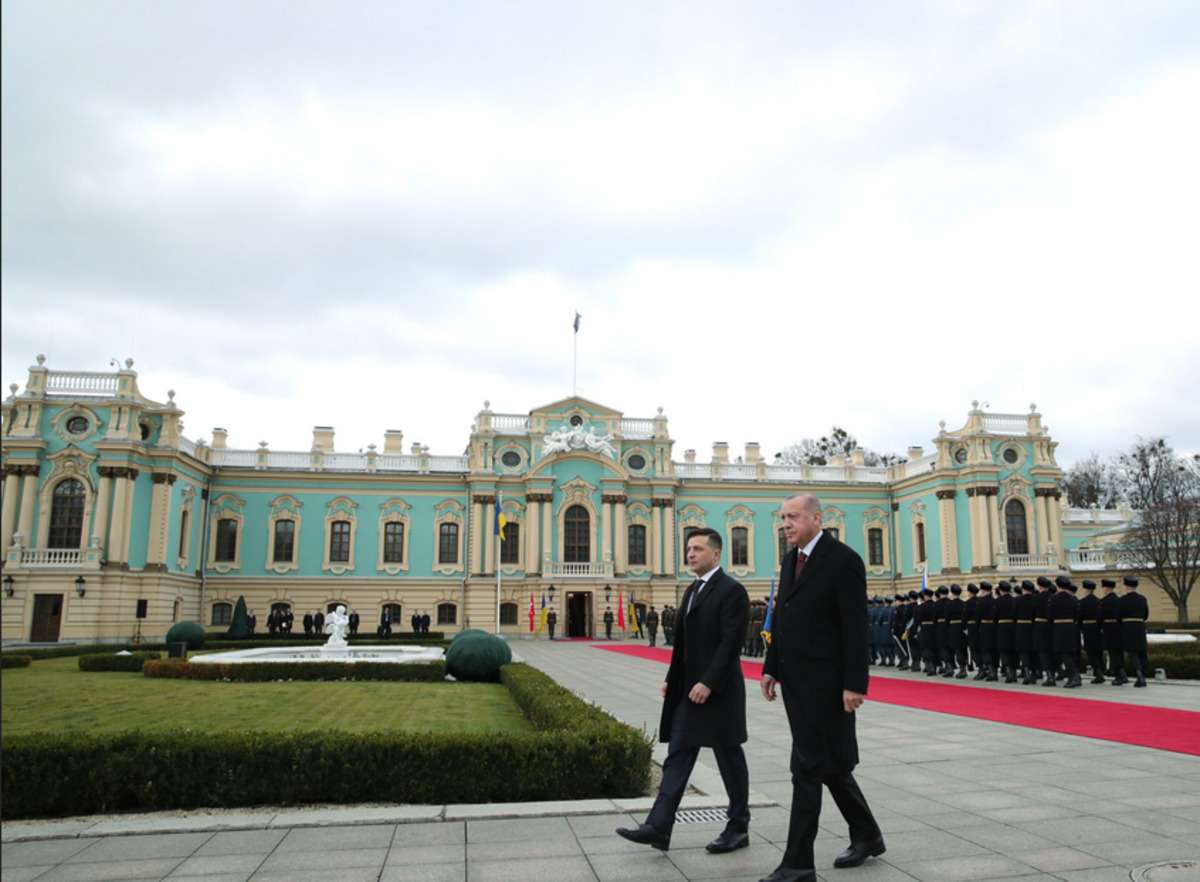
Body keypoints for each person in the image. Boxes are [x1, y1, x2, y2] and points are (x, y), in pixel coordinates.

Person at [759, 495, 883, 882]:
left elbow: (854, 626)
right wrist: (770, 666)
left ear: (816, 518)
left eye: (792, 517)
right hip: (796, 682)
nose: (786, 525)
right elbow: (783, 616)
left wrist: (854, 683)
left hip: (829, 686)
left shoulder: (842, 559)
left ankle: (797, 864)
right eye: (783, 519)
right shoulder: (790, 559)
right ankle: (867, 835)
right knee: (828, 765)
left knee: (807, 767)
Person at [617, 527, 751, 856]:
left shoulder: (732, 591)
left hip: (718, 693)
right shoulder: (691, 590)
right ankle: (659, 826)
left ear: (716, 555)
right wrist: (671, 678)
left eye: (698, 549)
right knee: (677, 756)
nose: (690, 554)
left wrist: (709, 682)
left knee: (729, 757)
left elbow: (730, 643)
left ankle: (738, 827)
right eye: (689, 549)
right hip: (688, 693)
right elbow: (683, 646)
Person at [1050, 575, 1082, 688]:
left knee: (1064, 654)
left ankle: (1073, 677)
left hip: (1059, 629)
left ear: (1058, 586)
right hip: (1071, 628)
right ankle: (1076, 676)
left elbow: (1050, 615)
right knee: (1071, 653)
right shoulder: (1073, 598)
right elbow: (1077, 615)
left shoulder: (1054, 598)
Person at [1119, 577, 1149, 687]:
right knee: (1142, 653)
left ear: (1126, 586)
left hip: (1128, 628)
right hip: (1140, 627)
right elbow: (1146, 615)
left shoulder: (1122, 600)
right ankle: (1144, 676)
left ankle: (1140, 676)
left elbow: (1119, 616)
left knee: (1133, 653)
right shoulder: (1143, 599)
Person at [1100, 579, 1127, 685]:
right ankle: (1123, 674)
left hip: (1108, 629)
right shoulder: (1119, 600)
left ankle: (1119, 676)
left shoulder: (1103, 601)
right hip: (1118, 629)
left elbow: (1100, 617)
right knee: (1119, 653)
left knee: (1113, 653)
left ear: (1106, 588)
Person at [1078, 581, 1104, 683]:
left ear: (1086, 589)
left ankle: (1098, 673)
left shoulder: (1082, 602)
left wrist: (1080, 628)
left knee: (1091, 652)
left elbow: (1079, 617)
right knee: (1098, 651)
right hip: (1097, 629)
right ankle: (1101, 670)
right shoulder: (1099, 601)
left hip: (1087, 629)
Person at [976, 582, 997, 681]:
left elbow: (978, 616)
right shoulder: (994, 601)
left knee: (986, 649)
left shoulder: (981, 601)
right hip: (993, 627)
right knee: (993, 649)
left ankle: (991, 671)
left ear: (983, 591)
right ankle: (995, 671)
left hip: (984, 627)